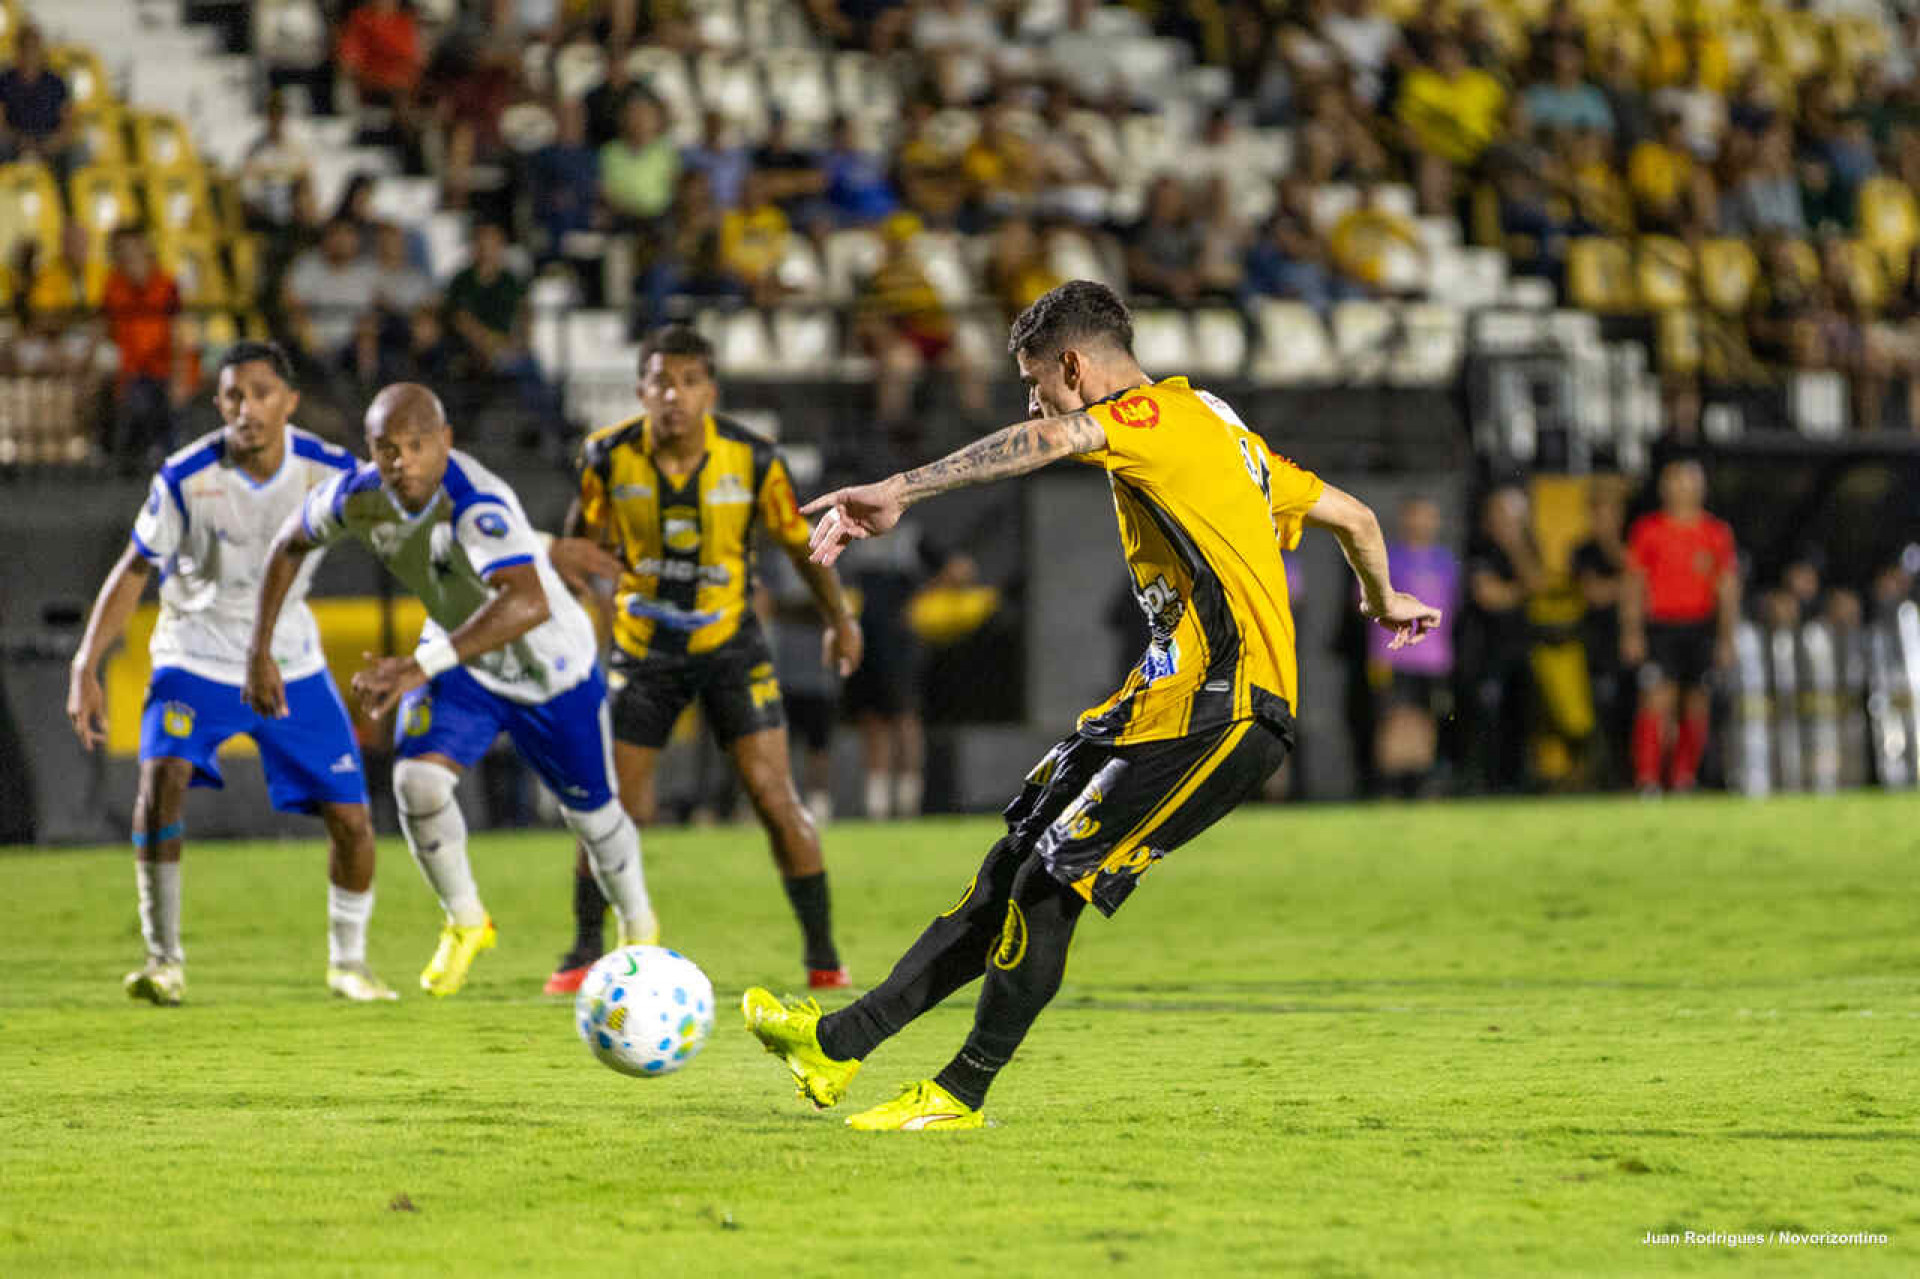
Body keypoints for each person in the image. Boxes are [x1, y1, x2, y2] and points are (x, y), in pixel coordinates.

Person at [742, 280, 1442, 1129]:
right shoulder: (1229, 436)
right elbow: (1357, 517)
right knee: (1010, 864)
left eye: (1037, 380)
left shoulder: (1159, 419)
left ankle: (961, 1091)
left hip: (1228, 712)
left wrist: (900, 488)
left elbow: (1049, 438)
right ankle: (838, 1043)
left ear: (1075, 365)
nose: (1033, 397)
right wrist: (1385, 596)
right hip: (1162, 699)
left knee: (1049, 882)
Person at [244, 384, 656, 999]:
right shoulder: (356, 497)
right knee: (416, 782)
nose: (401, 461)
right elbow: (288, 544)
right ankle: (466, 920)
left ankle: (640, 932)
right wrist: (259, 650)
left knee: (592, 818)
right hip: (462, 661)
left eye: (416, 445)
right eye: (387, 448)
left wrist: (417, 666)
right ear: (370, 450)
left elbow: (529, 601)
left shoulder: (475, 500)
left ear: (446, 442)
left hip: (549, 665)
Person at [64, 341, 394, 1005]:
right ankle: (164, 960)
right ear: (218, 403)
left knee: (353, 818)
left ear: (290, 401)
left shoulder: (329, 471)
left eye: (262, 393)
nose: (248, 409)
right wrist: (86, 662)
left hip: (292, 660)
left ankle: (349, 963)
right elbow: (134, 569)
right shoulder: (185, 476)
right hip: (195, 654)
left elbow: (404, 529)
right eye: (234, 396)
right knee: (162, 778)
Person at [543, 325, 864, 994]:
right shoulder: (606, 456)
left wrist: (840, 617)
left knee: (774, 796)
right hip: (642, 649)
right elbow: (578, 547)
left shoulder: (752, 459)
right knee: (617, 806)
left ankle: (825, 957)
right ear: (640, 390)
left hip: (729, 645)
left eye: (689, 382)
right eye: (661, 381)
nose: (674, 396)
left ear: (710, 392)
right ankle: (580, 951)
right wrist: (581, 610)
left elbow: (801, 544)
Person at [1620, 458, 1739, 795]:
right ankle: (1647, 778)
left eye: (1689, 481)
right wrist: (1631, 631)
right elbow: (1633, 585)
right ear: (1664, 487)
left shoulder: (1715, 533)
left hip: (1699, 626)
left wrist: (1726, 637)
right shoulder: (1648, 531)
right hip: (1661, 626)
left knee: (1696, 701)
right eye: (1676, 481)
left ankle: (1684, 777)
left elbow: (1727, 588)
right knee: (1657, 699)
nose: (1683, 488)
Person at [1365, 497, 1458, 797]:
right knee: (1395, 719)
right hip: (1392, 656)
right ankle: (1388, 787)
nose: (1423, 523)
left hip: (1433, 659)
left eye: (1429, 517)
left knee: (1426, 720)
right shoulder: (1386, 559)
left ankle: (1420, 786)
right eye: (1417, 516)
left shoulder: (1445, 562)